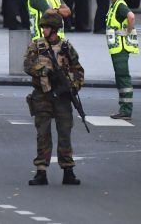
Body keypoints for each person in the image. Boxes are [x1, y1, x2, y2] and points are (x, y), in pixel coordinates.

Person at [24, 12, 85, 186]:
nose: (44, 30)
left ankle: (68, 170)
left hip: (62, 98)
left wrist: (73, 85)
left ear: (55, 29)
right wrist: (44, 71)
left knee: (65, 133)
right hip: (42, 95)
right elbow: (27, 65)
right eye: (43, 27)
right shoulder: (36, 45)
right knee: (43, 134)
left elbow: (77, 69)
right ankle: (41, 171)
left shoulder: (66, 47)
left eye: (47, 27)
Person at [104, 0, 138, 120]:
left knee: (123, 78)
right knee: (120, 78)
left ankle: (126, 110)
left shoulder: (119, 5)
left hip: (121, 48)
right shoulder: (113, 6)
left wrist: (128, 31)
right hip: (116, 48)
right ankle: (123, 108)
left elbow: (131, 16)